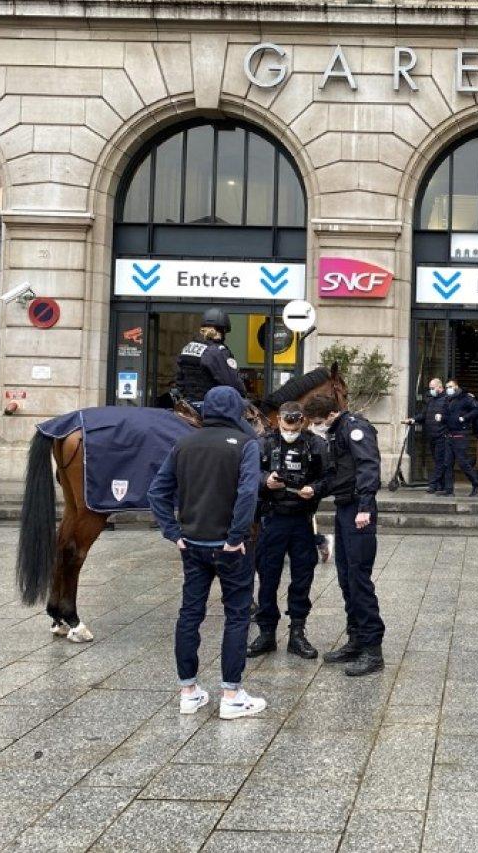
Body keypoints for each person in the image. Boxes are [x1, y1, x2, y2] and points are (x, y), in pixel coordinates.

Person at [147, 385, 266, 720]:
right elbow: (247, 494)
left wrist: (173, 533)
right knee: (238, 615)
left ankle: (189, 692)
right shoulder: (246, 445)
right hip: (230, 546)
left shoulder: (183, 442)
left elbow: (157, 492)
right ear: (236, 411)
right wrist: (236, 536)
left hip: (193, 544)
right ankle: (231, 694)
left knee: (190, 614)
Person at [304, 394, 386, 677]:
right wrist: (315, 489)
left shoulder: (354, 428)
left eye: (318, 422)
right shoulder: (337, 432)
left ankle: (373, 650)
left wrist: (365, 505)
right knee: (345, 577)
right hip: (344, 507)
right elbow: (338, 474)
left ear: (331, 414)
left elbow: (368, 466)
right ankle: (356, 639)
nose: (317, 427)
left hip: (358, 510)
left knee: (359, 578)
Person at [247, 402, 333, 659]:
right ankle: (266, 633)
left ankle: (297, 632)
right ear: (279, 421)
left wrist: (315, 489)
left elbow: (330, 477)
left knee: (302, 578)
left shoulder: (316, 445)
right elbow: (248, 473)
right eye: (286, 425)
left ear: (303, 421)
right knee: (268, 578)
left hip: (302, 520)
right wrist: (266, 481)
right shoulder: (265, 443)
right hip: (272, 519)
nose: (290, 430)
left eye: (295, 425)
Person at [174, 307, 246, 408]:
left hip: (188, 406)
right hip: (211, 408)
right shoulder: (217, 351)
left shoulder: (188, 348)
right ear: (222, 331)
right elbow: (233, 384)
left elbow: (179, 379)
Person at [404, 377, 449, 494]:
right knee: (437, 461)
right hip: (432, 436)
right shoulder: (431, 400)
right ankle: (441, 485)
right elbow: (424, 415)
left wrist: (443, 419)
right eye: (430, 388)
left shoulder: (447, 400)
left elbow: (451, 418)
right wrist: (413, 420)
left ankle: (433, 485)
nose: (431, 390)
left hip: (442, 436)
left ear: (440, 387)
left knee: (440, 461)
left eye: (432, 388)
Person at [441, 378, 478, 497]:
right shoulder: (447, 399)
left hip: (460, 435)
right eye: (447, 387)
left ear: (456, 387)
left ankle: (476, 483)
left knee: (463, 463)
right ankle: (449, 490)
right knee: (447, 463)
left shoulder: (465, 398)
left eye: (450, 386)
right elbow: (447, 416)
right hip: (449, 435)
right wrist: (441, 417)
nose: (448, 389)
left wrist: (465, 418)